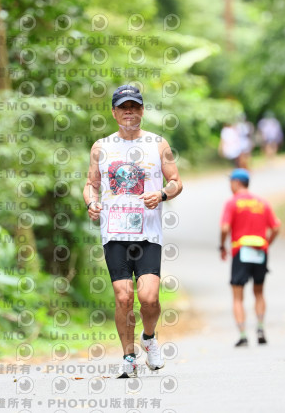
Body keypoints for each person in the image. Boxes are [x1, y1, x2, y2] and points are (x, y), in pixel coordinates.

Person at [84, 85, 183, 378]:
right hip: (114, 233)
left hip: (148, 233)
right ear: (114, 112)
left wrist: (162, 194)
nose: (129, 112)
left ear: (141, 110)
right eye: (123, 107)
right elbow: (91, 184)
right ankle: (128, 357)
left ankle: (148, 337)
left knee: (149, 298)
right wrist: (91, 202)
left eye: (134, 106)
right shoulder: (101, 147)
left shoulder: (158, 144)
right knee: (123, 297)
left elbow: (176, 181)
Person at [219, 168, 280, 347]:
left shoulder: (232, 203)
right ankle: (260, 328)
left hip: (241, 250)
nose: (230, 185)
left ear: (237, 183)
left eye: (231, 182)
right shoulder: (262, 202)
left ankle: (243, 335)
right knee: (259, 292)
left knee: (238, 296)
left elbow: (224, 228)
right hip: (260, 251)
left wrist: (222, 245)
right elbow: (276, 227)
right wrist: (267, 243)